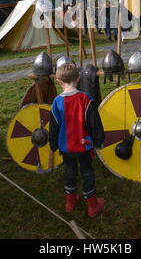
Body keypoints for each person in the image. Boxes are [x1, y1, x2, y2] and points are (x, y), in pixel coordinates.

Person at [49, 63, 106, 218]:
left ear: (59, 81)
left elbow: (53, 127)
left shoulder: (56, 102)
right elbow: (94, 123)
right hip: (84, 146)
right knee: (87, 172)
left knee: (70, 171)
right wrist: (99, 140)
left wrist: (53, 144)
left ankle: (70, 202)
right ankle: (92, 206)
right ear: (78, 78)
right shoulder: (86, 99)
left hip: (66, 147)